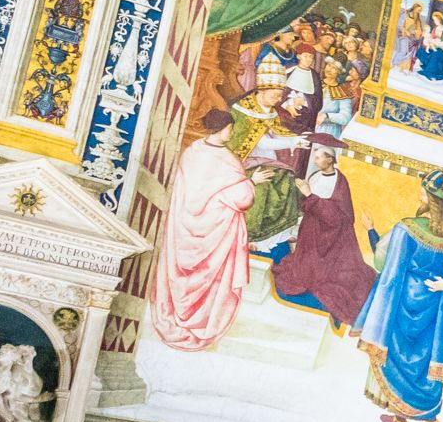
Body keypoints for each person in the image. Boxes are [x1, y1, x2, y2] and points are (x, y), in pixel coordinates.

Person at [352, 170, 443, 422]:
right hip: (434, 306)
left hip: (403, 300)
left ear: (429, 198)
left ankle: (403, 419)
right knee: (428, 359)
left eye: (422, 191)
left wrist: (378, 312)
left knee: (397, 355)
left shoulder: (407, 228)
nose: (419, 195)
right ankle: (428, 421)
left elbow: (388, 268)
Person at [152, 109, 261, 351]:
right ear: (222, 129)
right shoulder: (228, 160)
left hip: (184, 227)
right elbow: (242, 198)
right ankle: (202, 321)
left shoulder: (192, 152)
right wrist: (253, 182)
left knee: (186, 275)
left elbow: (189, 190)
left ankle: (178, 314)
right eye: (230, 128)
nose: (231, 133)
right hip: (214, 234)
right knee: (211, 279)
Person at [270, 147, 377, 327]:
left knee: (327, 277)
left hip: (329, 237)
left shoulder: (338, 183)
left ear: (330, 160)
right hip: (312, 229)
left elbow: (335, 217)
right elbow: (308, 204)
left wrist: (309, 195)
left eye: (320, 158)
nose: (315, 161)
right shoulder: (316, 177)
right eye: (316, 157)